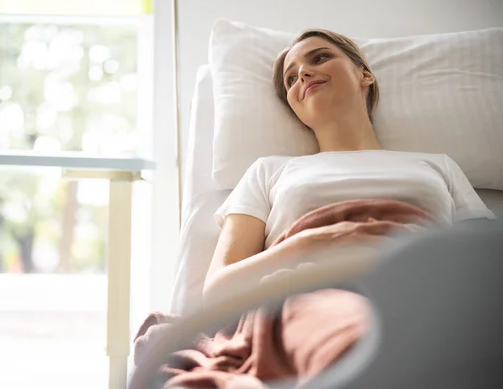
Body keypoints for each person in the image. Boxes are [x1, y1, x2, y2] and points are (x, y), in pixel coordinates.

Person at [203, 29, 495, 300]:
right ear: (294, 107)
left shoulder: (438, 165)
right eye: (290, 79)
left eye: (320, 57)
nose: (303, 72)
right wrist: (308, 244)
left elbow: (487, 266)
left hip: (426, 296)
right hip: (312, 303)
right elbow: (217, 291)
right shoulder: (267, 171)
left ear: (364, 75)